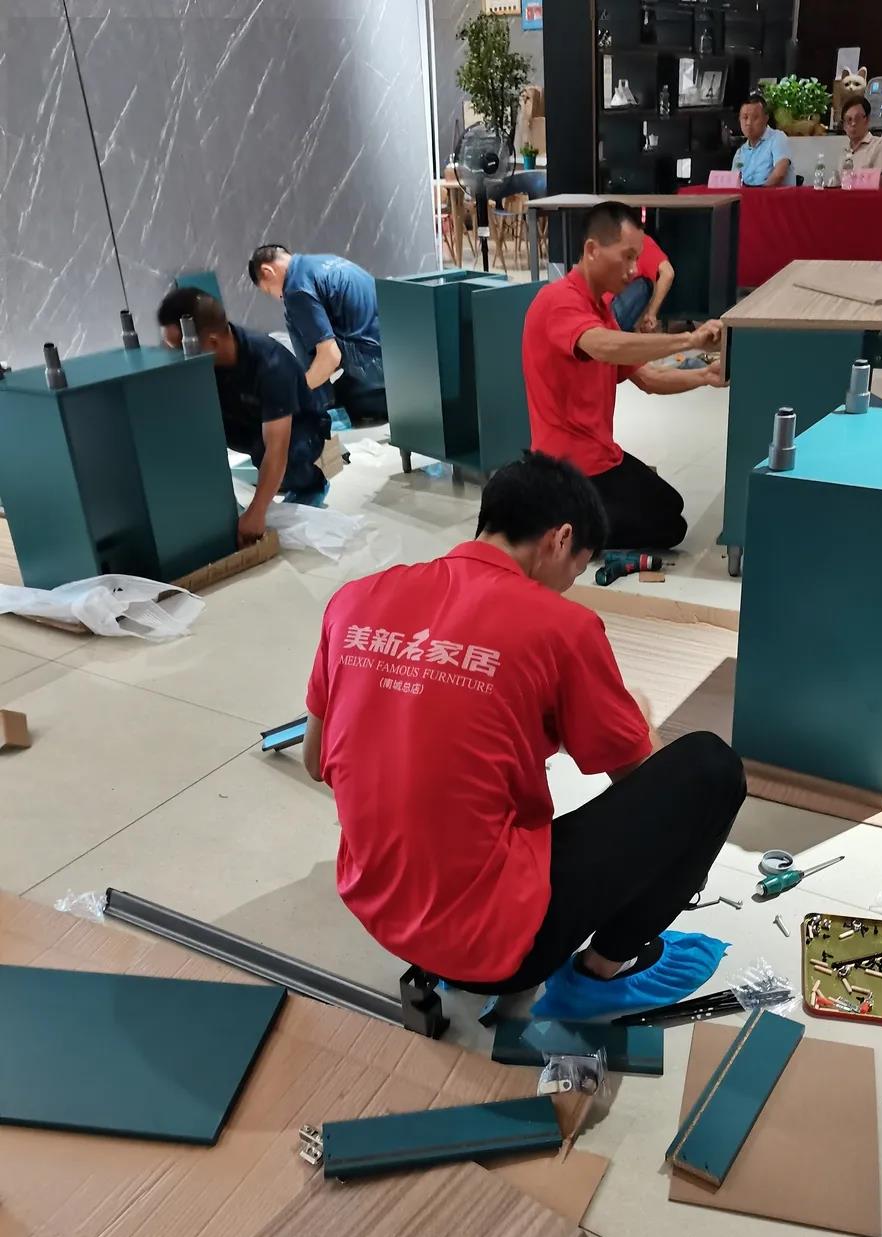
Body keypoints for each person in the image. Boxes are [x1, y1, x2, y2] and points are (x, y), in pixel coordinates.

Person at [303, 451, 746, 996]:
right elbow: (647, 785)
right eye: (575, 572)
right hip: (499, 948)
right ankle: (605, 966)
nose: (566, 588)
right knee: (710, 769)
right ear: (561, 539)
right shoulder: (562, 627)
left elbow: (315, 761)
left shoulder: (353, 600)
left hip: (378, 911)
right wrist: (635, 716)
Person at [521, 201, 725, 551]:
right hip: (566, 467)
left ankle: (572, 517)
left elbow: (647, 378)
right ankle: (561, 520)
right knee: (669, 527)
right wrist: (689, 340)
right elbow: (604, 347)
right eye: (627, 257)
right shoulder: (558, 301)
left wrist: (705, 375)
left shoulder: (601, 309)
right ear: (592, 250)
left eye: (637, 259)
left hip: (601, 455)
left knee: (670, 507)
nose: (633, 270)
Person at [157, 287, 331, 543]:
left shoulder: (270, 364)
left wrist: (257, 513)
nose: (174, 357)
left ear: (212, 342)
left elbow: (277, 447)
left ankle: (312, 483)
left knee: (273, 454)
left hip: (300, 430)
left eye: (177, 349)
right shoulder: (208, 360)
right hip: (247, 423)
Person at [248, 245, 386, 424]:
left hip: (375, 363)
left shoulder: (296, 289)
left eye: (269, 290)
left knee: (293, 317)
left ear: (268, 271)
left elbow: (331, 356)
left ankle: (320, 409)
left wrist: (297, 392)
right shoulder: (324, 261)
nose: (277, 297)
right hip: (395, 353)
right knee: (342, 391)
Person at [609, 232, 675, 333]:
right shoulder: (641, 242)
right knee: (644, 285)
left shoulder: (603, 238)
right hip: (608, 317)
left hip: (592, 314)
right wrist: (651, 314)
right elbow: (668, 273)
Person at [733, 94, 794, 186]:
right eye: (745, 118)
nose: (748, 123)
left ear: (766, 118)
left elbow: (779, 174)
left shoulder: (777, 138)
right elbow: (733, 182)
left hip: (773, 194)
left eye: (755, 118)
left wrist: (759, 192)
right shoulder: (740, 153)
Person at [840, 95, 882, 175]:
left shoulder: (881, 144)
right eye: (849, 119)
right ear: (844, 126)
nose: (853, 123)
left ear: (868, 119)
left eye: (858, 118)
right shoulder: (844, 151)